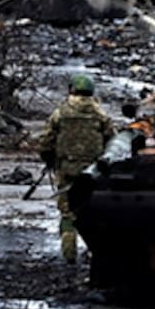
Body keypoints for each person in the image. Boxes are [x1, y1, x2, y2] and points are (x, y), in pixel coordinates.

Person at [37, 73, 115, 263]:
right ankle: (95, 253)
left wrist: (48, 159)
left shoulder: (61, 113)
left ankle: (69, 255)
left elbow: (46, 141)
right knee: (93, 212)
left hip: (67, 170)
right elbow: (112, 141)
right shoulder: (100, 114)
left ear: (71, 89)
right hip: (93, 173)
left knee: (67, 213)